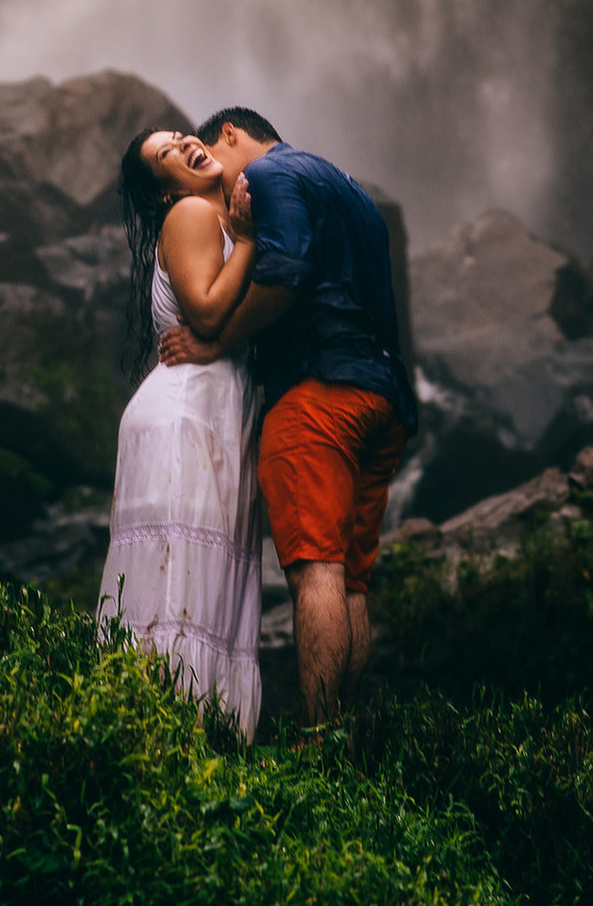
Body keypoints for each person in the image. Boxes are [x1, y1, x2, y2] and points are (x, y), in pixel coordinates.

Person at [160, 107, 417, 724]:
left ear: (231, 135)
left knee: (315, 572)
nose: (224, 191)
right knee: (352, 582)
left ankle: (321, 740)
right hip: (381, 399)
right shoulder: (349, 188)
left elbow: (286, 271)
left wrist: (219, 343)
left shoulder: (271, 176)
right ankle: (344, 743)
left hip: (317, 393)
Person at [97, 126, 263, 742]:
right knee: (178, 591)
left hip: (210, 420)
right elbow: (209, 312)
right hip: (183, 422)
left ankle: (186, 748)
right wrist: (244, 240)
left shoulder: (220, 213)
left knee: (202, 591)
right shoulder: (193, 214)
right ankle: (165, 745)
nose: (187, 144)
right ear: (165, 191)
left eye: (179, 135)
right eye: (167, 154)